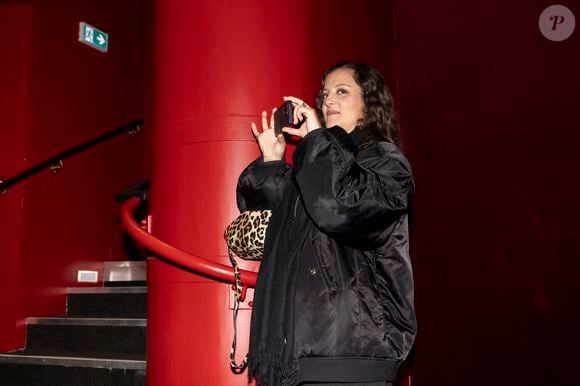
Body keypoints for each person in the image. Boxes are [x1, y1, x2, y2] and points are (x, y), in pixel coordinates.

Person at [236, 61, 416, 386]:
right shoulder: (318, 164)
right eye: (324, 94)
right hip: (299, 357)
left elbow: (339, 207)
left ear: (368, 106)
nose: (327, 100)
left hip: (352, 355)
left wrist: (317, 141)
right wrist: (273, 162)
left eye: (342, 92)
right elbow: (279, 222)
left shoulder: (385, 161)